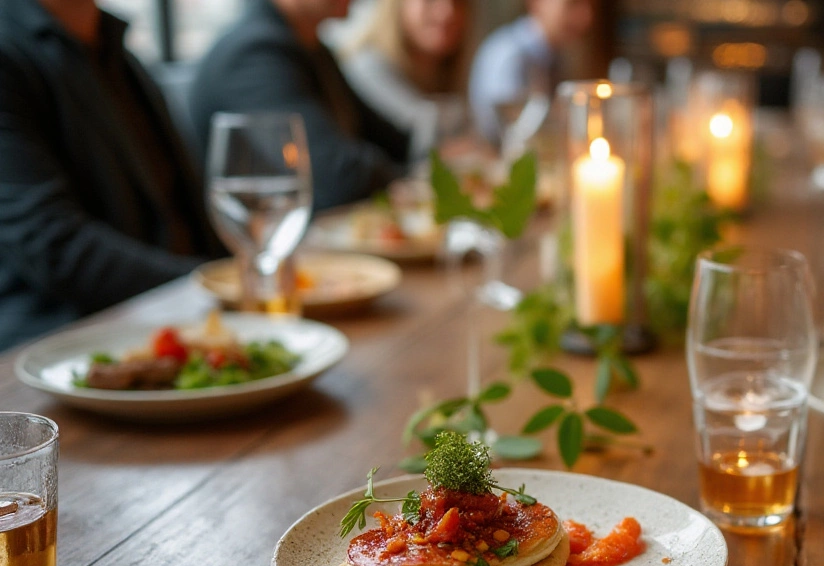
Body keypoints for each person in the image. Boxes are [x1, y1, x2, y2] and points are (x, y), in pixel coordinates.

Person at [0, 0, 225, 351]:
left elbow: (187, 208)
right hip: (60, 350)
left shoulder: (116, 49)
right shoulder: (10, 50)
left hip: (177, 327)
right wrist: (216, 282)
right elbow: (53, 245)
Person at [189, 0, 410, 212]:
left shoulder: (312, 48)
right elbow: (338, 178)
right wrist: (402, 177)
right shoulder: (254, 54)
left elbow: (394, 142)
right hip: (265, 245)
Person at [341, 0, 471, 156]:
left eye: (459, 2)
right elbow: (423, 138)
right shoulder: (366, 67)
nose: (448, 11)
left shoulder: (447, 70)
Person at [467, 0, 594, 147]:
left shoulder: (556, 58)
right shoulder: (509, 56)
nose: (586, 17)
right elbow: (506, 139)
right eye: (573, 4)